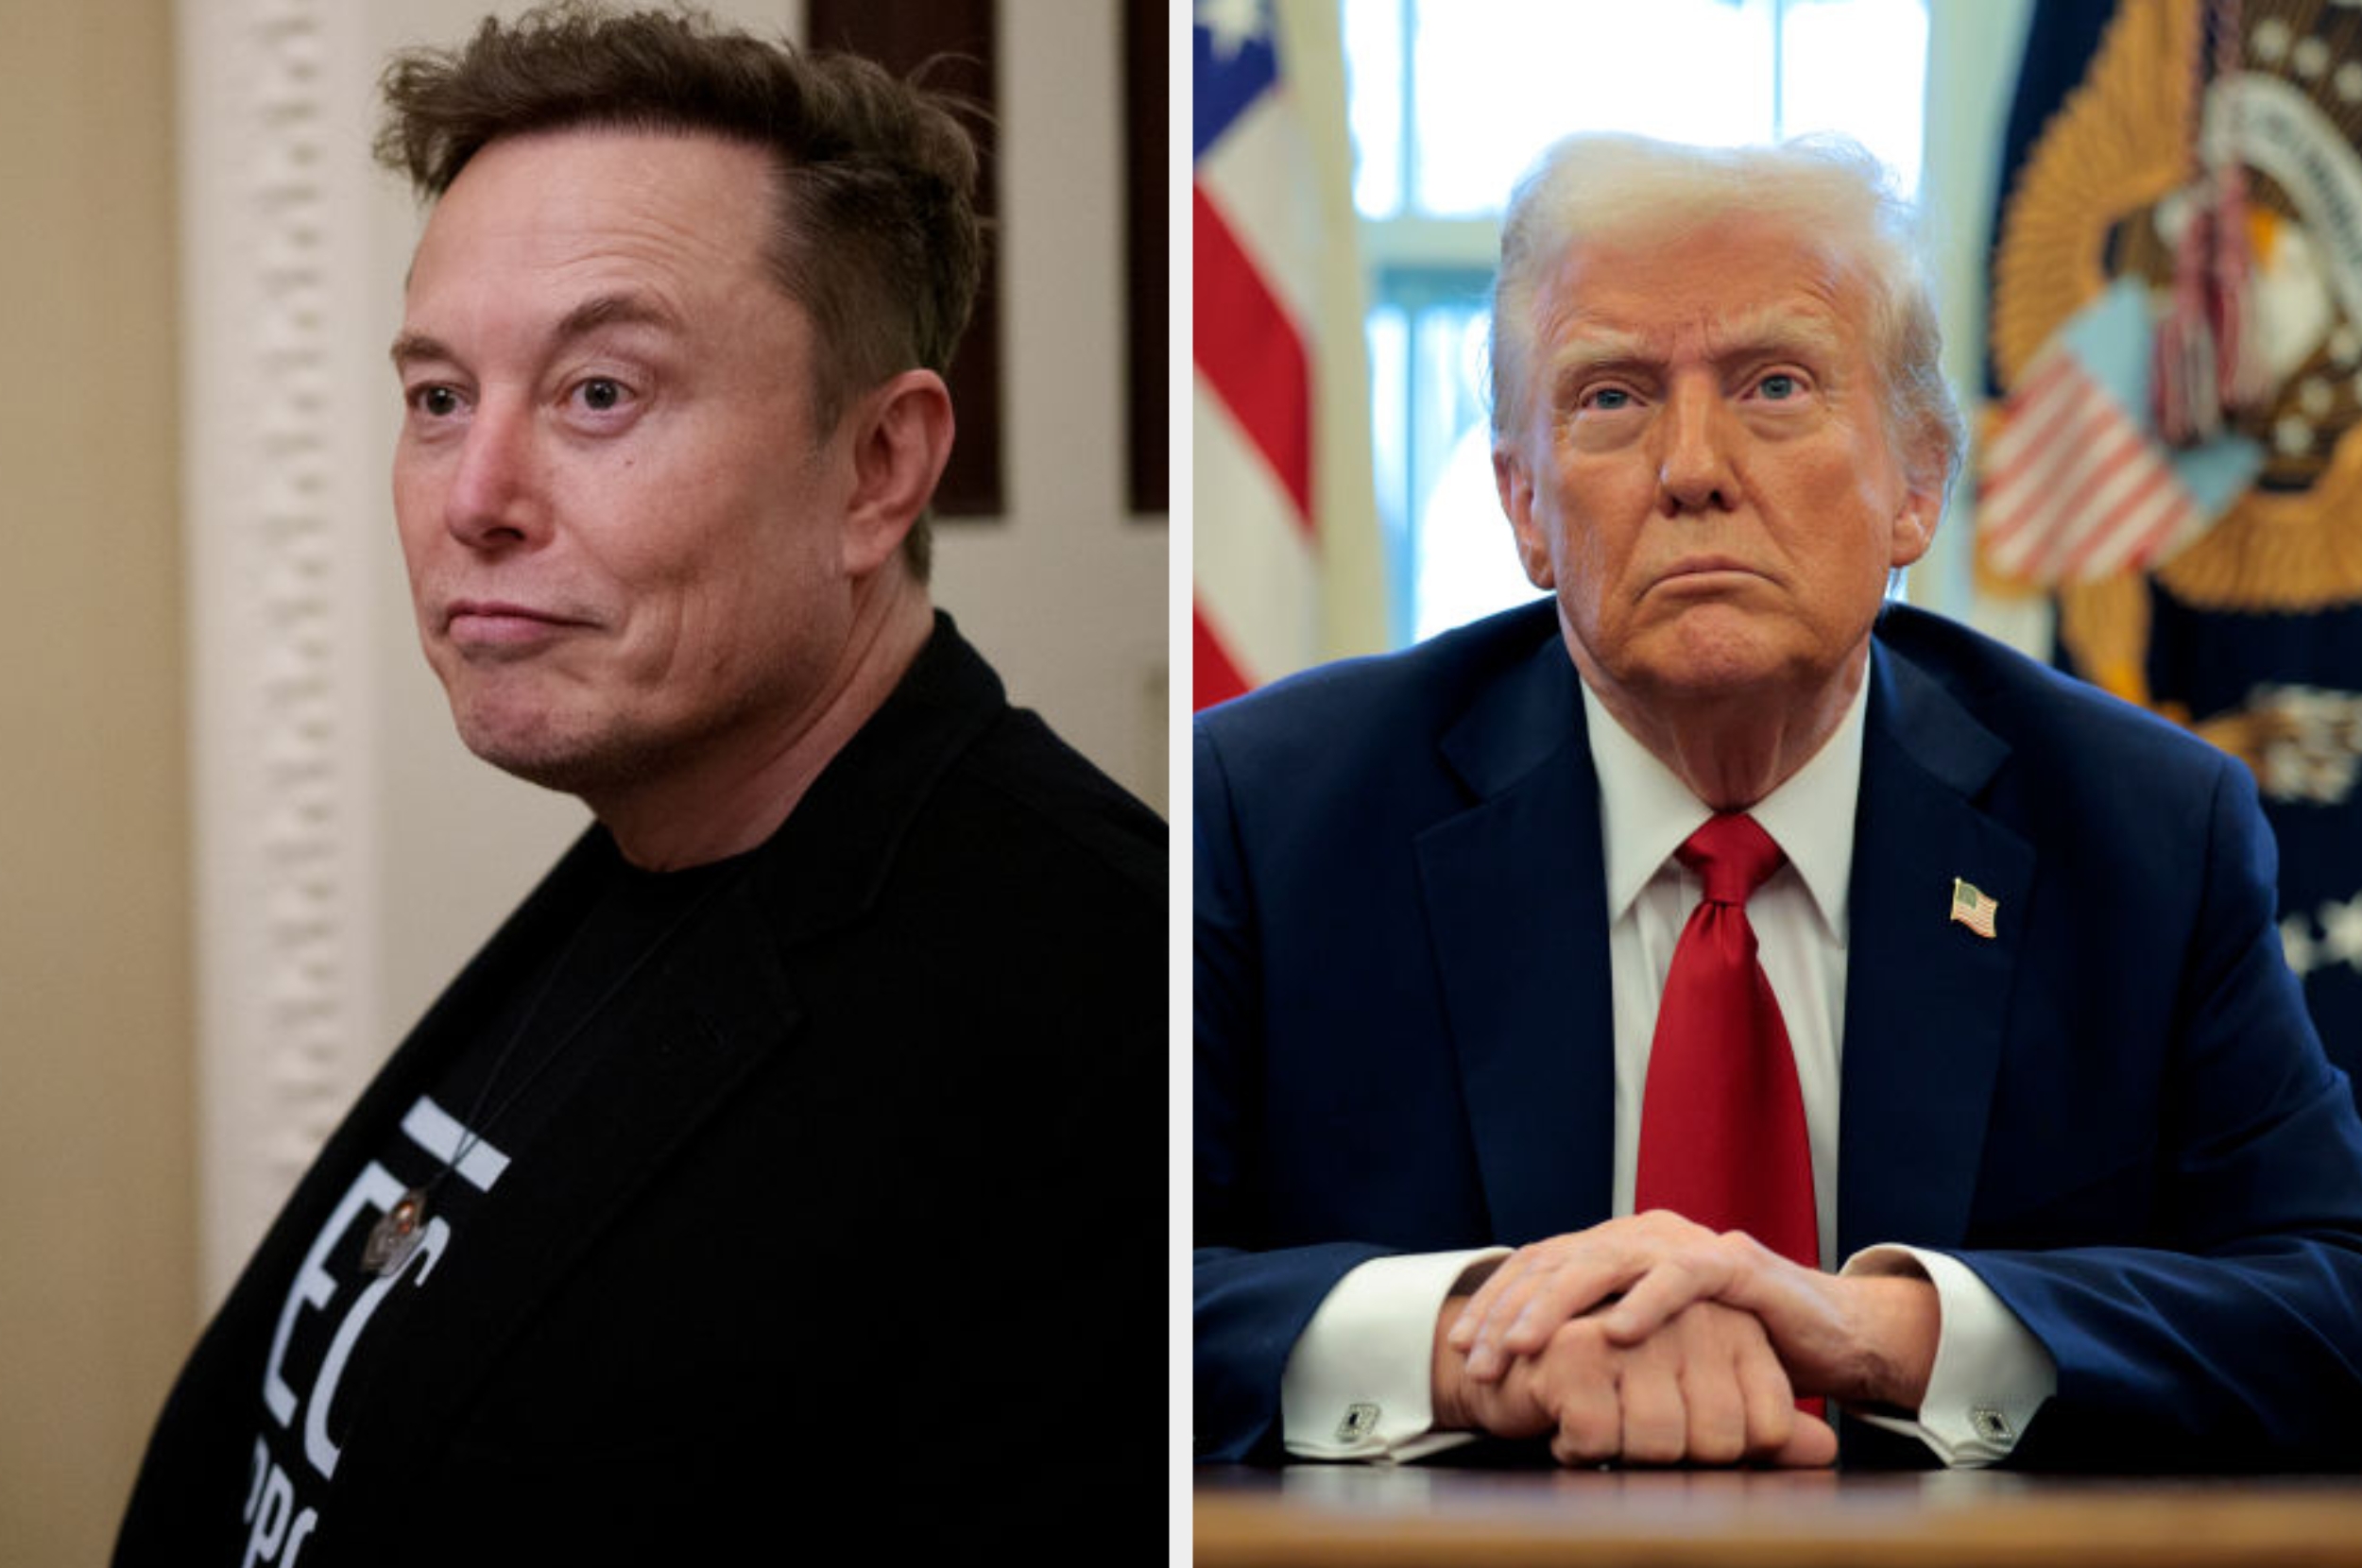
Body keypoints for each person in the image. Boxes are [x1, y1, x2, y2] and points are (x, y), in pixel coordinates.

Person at [116, 7, 1162, 1560]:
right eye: (438, 397)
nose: (475, 498)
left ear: (879, 467)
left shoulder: (1085, 1011)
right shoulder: (658, 845)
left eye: (601, 392)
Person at [1194, 132, 2362, 1473]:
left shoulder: (2146, 829)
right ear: (1525, 505)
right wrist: (1477, 1348)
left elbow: (2331, 1297)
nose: (1692, 464)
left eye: (1775, 384)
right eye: (1612, 399)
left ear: (1918, 479)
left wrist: (1888, 1330)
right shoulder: (1273, 815)